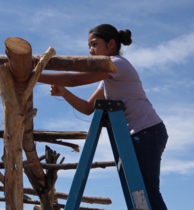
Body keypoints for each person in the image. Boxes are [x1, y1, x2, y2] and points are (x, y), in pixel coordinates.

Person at [38, 24, 168, 210]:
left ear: (111, 44)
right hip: (141, 133)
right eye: (89, 46)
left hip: (147, 131)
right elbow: (88, 107)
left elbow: (75, 79)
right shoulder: (107, 77)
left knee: (147, 192)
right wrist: (64, 93)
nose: (91, 50)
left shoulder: (117, 64)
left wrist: (34, 75)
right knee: (141, 193)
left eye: (94, 44)